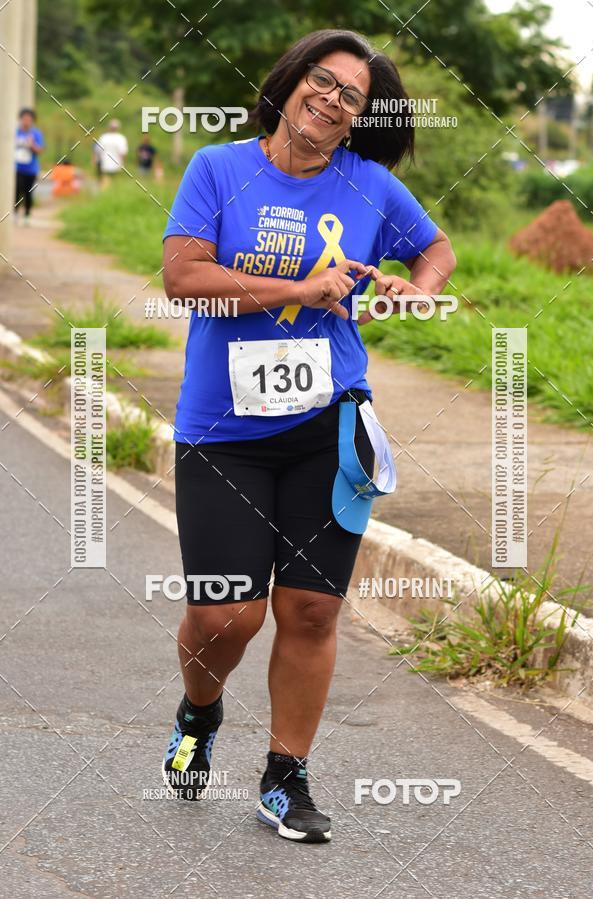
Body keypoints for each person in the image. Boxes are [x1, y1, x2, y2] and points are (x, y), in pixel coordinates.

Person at [161, 28, 456, 843]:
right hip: (223, 432)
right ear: (290, 84)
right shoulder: (218, 169)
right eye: (320, 81)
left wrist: (413, 289)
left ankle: (285, 776)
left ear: (360, 118)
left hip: (331, 425)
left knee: (312, 610)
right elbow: (184, 276)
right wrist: (298, 287)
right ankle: (200, 709)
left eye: (350, 96)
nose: (330, 99)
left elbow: (438, 248)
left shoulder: (369, 186)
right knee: (228, 616)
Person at [14, 108, 44, 225]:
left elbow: (40, 150)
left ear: (32, 121)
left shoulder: (35, 133)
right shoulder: (15, 132)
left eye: (29, 119)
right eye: (24, 119)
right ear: (21, 120)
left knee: (28, 193)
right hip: (17, 168)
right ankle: (15, 212)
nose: (26, 121)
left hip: (30, 169)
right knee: (17, 190)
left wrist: (32, 144)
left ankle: (27, 215)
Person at [95, 119, 128, 188]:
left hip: (105, 164)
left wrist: (96, 160)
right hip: (116, 165)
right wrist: (123, 163)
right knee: (115, 183)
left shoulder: (104, 137)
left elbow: (98, 151)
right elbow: (123, 153)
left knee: (105, 183)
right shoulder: (121, 138)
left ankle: (106, 194)